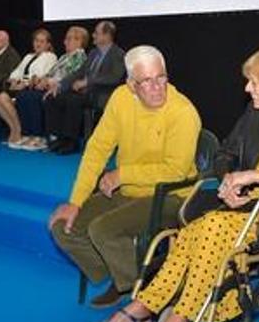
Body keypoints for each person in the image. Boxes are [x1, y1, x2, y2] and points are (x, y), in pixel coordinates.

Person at [83, 47, 259, 322]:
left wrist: (258, 176)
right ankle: (143, 308)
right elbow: (224, 154)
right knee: (189, 234)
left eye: (253, 82)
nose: (247, 89)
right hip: (243, 208)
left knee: (210, 228)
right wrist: (229, 180)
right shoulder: (254, 114)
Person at [48, 45, 201, 307]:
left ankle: (141, 293)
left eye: (161, 78)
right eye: (146, 81)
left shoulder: (183, 112)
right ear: (131, 84)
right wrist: (75, 201)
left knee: (103, 230)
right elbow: (96, 150)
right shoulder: (120, 98)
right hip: (127, 190)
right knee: (63, 228)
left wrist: (123, 175)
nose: (156, 87)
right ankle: (123, 278)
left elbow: (175, 171)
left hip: (172, 195)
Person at [44, 21, 126, 154]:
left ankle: (71, 142)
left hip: (103, 94)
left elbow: (114, 78)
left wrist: (88, 82)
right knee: (55, 97)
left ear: (106, 36)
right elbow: (79, 73)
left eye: (96, 33)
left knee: (73, 101)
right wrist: (60, 85)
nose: (93, 35)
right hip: (86, 93)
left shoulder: (118, 54)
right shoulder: (94, 53)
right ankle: (58, 138)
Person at [5, 26, 89, 151]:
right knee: (26, 95)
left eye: (69, 39)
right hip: (51, 86)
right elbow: (51, 73)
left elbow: (68, 77)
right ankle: (35, 134)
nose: (65, 42)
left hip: (63, 88)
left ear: (79, 42)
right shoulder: (64, 57)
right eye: (66, 39)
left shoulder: (79, 57)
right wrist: (43, 79)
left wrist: (47, 81)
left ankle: (40, 135)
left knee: (32, 96)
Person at [0, 28, 58, 146]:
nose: (38, 44)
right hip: (21, 87)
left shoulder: (50, 56)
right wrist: (14, 81)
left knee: (3, 97)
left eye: (42, 41)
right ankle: (15, 129)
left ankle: (20, 132)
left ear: (48, 44)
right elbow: (17, 72)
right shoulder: (28, 56)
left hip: (34, 88)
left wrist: (23, 83)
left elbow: (42, 75)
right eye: (36, 40)